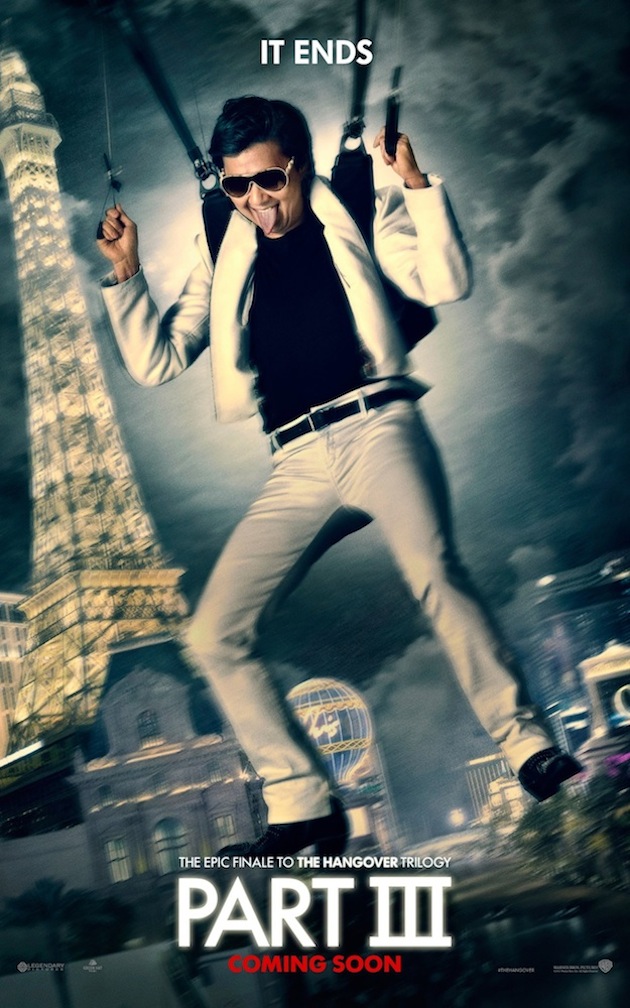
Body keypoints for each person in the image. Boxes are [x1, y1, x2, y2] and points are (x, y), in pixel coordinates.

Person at [97, 96, 581, 855]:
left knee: (435, 572)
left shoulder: (358, 206)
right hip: (296, 459)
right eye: (237, 187)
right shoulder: (221, 244)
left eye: (270, 180)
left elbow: (447, 282)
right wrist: (126, 274)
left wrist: (415, 186)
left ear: (300, 165)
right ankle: (302, 805)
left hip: (378, 424)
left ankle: (527, 747)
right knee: (214, 633)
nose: (256, 201)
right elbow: (158, 362)